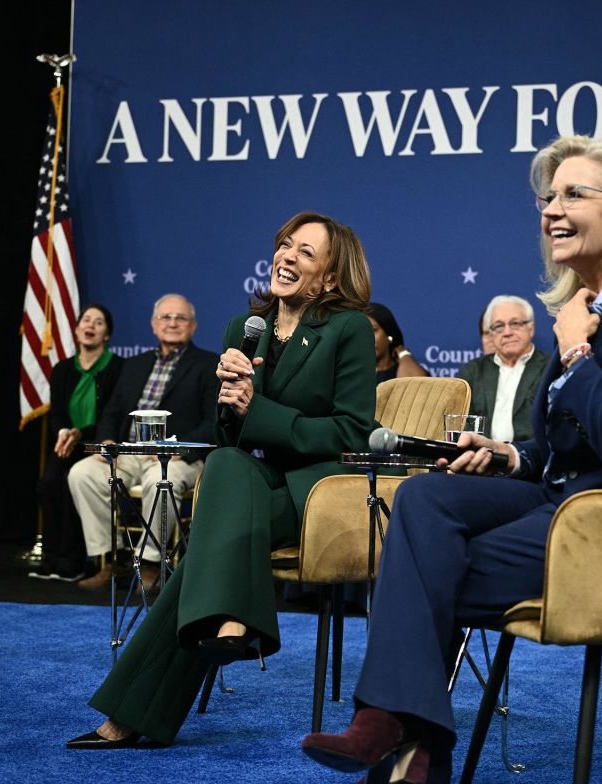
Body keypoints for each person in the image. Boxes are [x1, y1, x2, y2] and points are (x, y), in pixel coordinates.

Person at [300, 135, 602, 784]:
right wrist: (508, 454)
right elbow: (568, 446)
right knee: (426, 497)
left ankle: (396, 744)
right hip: (574, 500)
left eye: (572, 194)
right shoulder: (596, 307)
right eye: (547, 197)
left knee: (426, 570)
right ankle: (404, 749)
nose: (551, 208)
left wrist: (577, 349)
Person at [66, 211, 376, 748]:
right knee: (227, 464)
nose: (286, 256)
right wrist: (232, 409)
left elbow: (352, 430)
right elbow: (231, 438)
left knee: (210, 547)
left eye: (305, 251)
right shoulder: (243, 329)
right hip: (247, 480)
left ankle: (132, 714)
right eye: (284, 245)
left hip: (313, 492)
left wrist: (256, 408)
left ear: (329, 276)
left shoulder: (346, 329)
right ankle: (231, 622)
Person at [67, 294, 218, 591]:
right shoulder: (134, 365)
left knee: (161, 481)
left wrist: (179, 448)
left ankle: (150, 565)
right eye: (165, 317)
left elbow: (213, 424)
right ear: (153, 325)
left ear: (194, 326)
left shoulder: (208, 365)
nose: (172, 323)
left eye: (180, 318)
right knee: (83, 474)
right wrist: (107, 440)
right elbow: (111, 411)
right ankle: (115, 560)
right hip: (130, 452)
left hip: (177, 456)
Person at [29, 304, 124, 582]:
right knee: (48, 484)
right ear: (76, 329)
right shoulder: (62, 369)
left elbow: (113, 414)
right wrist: (63, 433)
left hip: (98, 444)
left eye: (98, 322)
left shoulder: (118, 368)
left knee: (74, 483)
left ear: (107, 334)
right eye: (86, 320)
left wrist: (81, 433)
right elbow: (57, 412)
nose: (90, 326)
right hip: (67, 442)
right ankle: (51, 557)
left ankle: (73, 562)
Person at [456, 295, 551, 441]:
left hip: (532, 459)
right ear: (491, 333)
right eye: (499, 326)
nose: (507, 333)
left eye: (515, 323)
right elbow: (460, 422)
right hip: (482, 457)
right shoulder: (472, 372)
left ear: (531, 328)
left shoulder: (551, 369)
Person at [368, 302, 429, 382]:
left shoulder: (402, 369)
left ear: (389, 333)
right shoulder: (352, 372)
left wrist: (404, 354)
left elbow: (415, 387)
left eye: (373, 330)